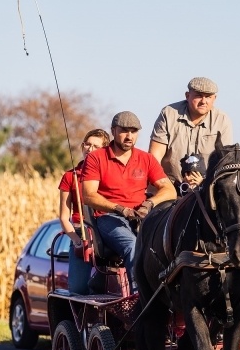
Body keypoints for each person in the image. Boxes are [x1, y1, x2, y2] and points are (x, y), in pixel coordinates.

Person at [82, 111, 176, 289]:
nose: (129, 136)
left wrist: (148, 204)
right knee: (133, 245)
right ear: (113, 131)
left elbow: (169, 190)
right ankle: (138, 297)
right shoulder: (96, 158)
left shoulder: (146, 159)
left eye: (134, 131)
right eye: (124, 131)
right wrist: (120, 209)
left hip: (142, 218)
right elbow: (89, 195)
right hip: (108, 218)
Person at [148, 77, 233, 192]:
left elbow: (224, 162)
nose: (203, 101)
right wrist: (168, 186)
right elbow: (154, 158)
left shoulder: (222, 120)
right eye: (198, 95)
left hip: (207, 189)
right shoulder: (168, 113)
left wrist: (204, 182)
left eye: (208, 97)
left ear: (214, 98)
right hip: (170, 188)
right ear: (187, 96)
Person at [58, 128, 110, 295]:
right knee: (78, 288)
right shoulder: (70, 176)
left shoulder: (109, 175)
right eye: (87, 144)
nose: (90, 149)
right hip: (82, 232)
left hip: (106, 230)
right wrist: (75, 239)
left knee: (110, 285)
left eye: (95, 146)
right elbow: (64, 217)